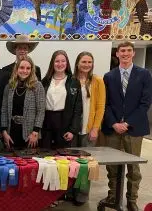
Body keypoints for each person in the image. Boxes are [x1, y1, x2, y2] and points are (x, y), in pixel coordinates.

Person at [101, 41, 152, 211]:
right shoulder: (109, 76)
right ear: (117, 53)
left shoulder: (144, 74)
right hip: (113, 128)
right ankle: (113, 196)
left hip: (135, 128)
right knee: (112, 166)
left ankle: (131, 199)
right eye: (122, 50)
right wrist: (115, 123)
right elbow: (105, 104)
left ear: (133, 53)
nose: (125, 53)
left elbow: (145, 103)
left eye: (129, 50)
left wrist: (128, 123)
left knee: (133, 167)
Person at [69, 51, 106, 206]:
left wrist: (95, 128)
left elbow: (100, 106)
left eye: (89, 62)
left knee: (87, 164)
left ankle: (82, 195)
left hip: (88, 128)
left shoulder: (97, 81)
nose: (86, 65)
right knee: (71, 163)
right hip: (72, 129)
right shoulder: (71, 80)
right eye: (84, 62)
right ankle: (69, 192)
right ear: (77, 63)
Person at [0, 56, 45, 149]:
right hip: (11, 134)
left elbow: (41, 111)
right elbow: (4, 110)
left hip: (30, 135)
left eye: (28, 68)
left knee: (28, 162)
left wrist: (35, 132)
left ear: (32, 70)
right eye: (22, 68)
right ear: (16, 69)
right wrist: (4, 132)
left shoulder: (37, 86)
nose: (25, 71)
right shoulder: (9, 86)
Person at [40, 50, 82, 149]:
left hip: (64, 123)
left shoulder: (74, 82)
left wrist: (72, 130)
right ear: (52, 63)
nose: (60, 64)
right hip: (47, 122)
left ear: (67, 63)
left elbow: (77, 109)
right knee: (46, 154)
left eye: (63, 61)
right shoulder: (44, 81)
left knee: (62, 156)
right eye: (57, 61)